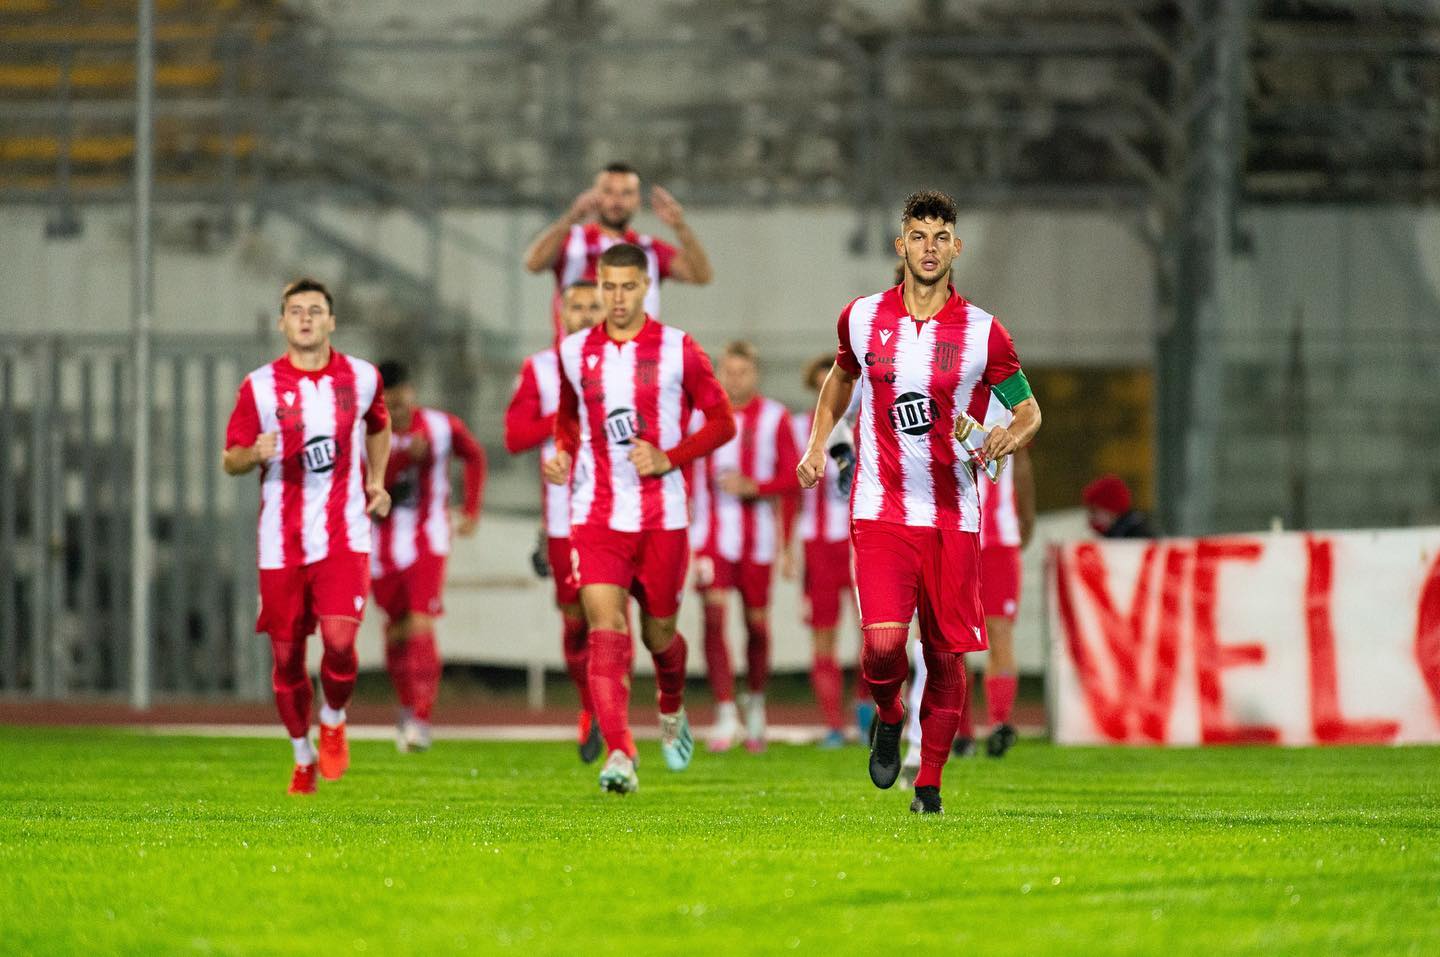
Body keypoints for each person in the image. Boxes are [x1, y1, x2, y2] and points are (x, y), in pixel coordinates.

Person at [798, 190, 1042, 815]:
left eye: (941, 238)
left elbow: (1028, 409)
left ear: (955, 247)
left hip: (953, 518)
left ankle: (929, 784)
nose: (929, 249)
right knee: (882, 647)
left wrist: (1003, 440)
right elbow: (842, 378)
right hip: (879, 510)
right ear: (900, 244)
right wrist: (818, 443)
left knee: (944, 655)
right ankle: (887, 713)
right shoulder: (860, 318)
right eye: (918, 236)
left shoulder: (985, 333)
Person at [544, 242, 735, 794]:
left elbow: (723, 422)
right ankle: (621, 752)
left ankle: (671, 703)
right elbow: (567, 419)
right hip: (596, 511)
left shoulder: (678, 349)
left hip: (661, 516)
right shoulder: (575, 351)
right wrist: (562, 454)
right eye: (610, 287)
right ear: (598, 287)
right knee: (606, 627)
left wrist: (668, 457)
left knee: (658, 635)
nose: (619, 298)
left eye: (629, 287)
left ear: (647, 288)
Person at [222, 277, 391, 795]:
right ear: (282, 322)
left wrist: (376, 481)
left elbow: (379, 424)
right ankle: (301, 754)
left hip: (344, 537)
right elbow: (230, 458)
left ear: (332, 321)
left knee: (340, 642)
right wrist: (256, 452)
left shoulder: (362, 377)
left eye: (316, 310)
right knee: (287, 659)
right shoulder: (259, 386)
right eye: (295, 311)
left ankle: (334, 718)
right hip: (281, 542)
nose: (306, 318)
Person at [899, 391, 1037, 783]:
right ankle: (959, 731)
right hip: (952, 535)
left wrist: (1026, 520)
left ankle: (1000, 725)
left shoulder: (1011, 403)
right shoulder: (939, 393)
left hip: (998, 539)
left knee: (999, 631)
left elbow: (1022, 463)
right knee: (946, 636)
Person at [503, 279, 606, 763]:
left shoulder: (629, 365)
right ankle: (591, 707)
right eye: (577, 307)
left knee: (615, 620)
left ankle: (615, 711)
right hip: (566, 517)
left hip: (621, 512)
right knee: (575, 624)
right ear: (560, 315)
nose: (585, 314)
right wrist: (563, 419)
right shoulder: (542, 370)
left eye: (594, 306)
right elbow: (514, 435)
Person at [370, 360, 486, 753]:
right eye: (389, 407)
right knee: (398, 629)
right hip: (382, 544)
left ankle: (421, 716)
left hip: (428, 537)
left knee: (421, 621)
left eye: (401, 404)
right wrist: (402, 460)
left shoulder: (440, 426)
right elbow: (363, 489)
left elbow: (475, 456)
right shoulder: (365, 435)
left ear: (412, 395)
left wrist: (471, 509)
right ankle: (407, 705)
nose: (397, 413)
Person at [689, 340, 800, 753]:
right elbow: (682, 471)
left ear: (755, 375)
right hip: (709, 538)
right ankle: (724, 714)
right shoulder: (700, 416)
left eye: (742, 372)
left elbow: (794, 478)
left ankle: (755, 705)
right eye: (727, 371)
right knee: (714, 619)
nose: (734, 379)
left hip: (758, 542)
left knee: (756, 625)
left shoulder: (774, 418)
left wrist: (757, 487)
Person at [523, 162, 714, 339]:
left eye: (626, 193)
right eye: (608, 191)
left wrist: (680, 227)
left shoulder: (649, 249)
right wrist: (571, 217)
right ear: (594, 195)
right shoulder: (573, 240)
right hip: (574, 366)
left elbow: (701, 275)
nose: (617, 200)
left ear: (638, 200)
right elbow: (533, 264)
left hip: (634, 367)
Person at [784, 354, 867, 749]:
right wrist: (787, 548)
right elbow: (788, 491)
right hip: (817, 546)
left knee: (875, 633)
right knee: (823, 637)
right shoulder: (800, 429)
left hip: (861, 540)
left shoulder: (868, 424)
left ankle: (868, 710)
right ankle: (834, 723)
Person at [1083, 474, 1153, 538]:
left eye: (1094, 511)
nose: (1093, 517)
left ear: (1111, 510)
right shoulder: (1115, 532)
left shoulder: (1136, 535)